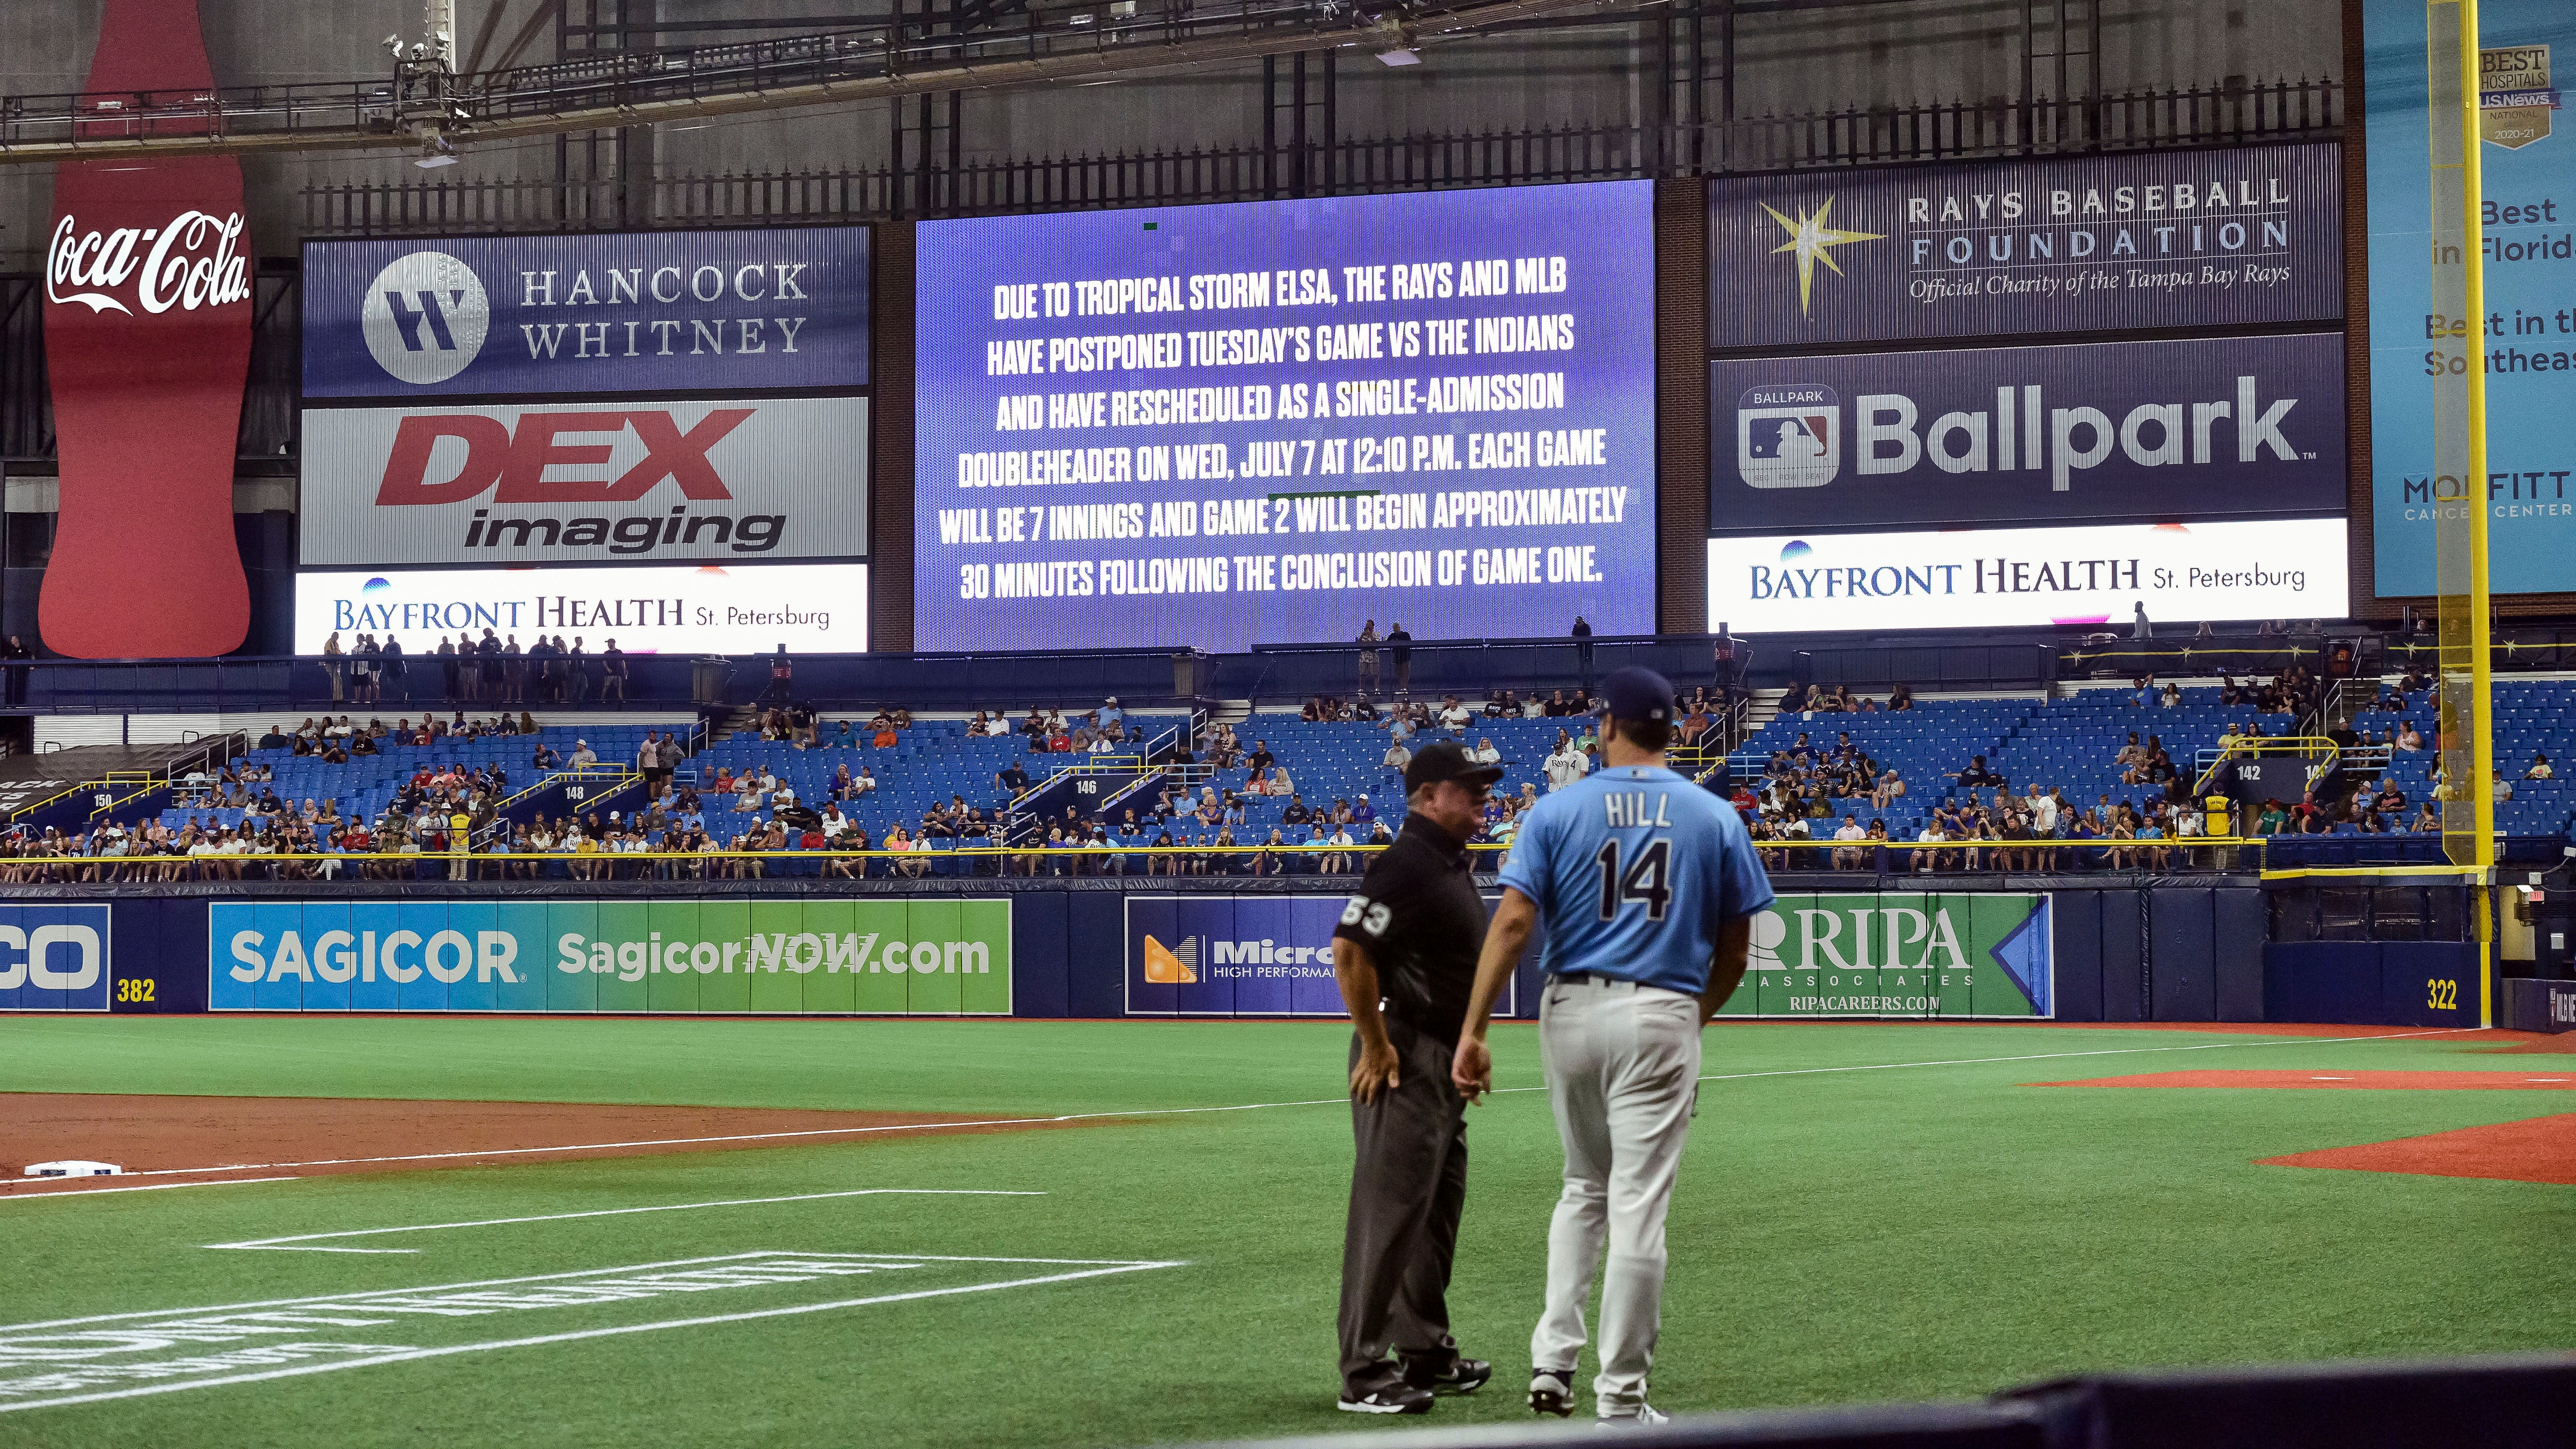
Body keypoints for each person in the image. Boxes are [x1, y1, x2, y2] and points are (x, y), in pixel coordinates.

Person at [1450, 668, 1775, 1425]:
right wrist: (1692, 1017)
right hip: (1661, 1005)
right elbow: (1735, 948)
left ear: (1604, 726)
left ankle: (1551, 1361)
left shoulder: (1557, 808)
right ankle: (1620, 1398)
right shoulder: (1712, 813)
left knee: (1580, 1186)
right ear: (1676, 728)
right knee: (1635, 1207)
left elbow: (1510, 923)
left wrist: (1473, 1028)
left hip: (1568, 1006)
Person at [1327, 739, 1502, 1415]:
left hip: (1440, 1058)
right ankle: (1363, 1370)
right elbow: (1349, 949)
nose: (1481, 796)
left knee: (1432, 1215)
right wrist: (1375, 1045)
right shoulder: (1404, 863)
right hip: (1404, 1054)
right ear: (1427, 796)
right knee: (1389, 1214)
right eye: (1468, 788)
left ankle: (1424, 1349)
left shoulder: (1444, 862)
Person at [1387, 622, 1413, 696]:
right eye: (1394, 628)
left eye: (1396, 627)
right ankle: (1401, 688)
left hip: (1405, 657)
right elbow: (1387, 643)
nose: (1395, 629)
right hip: (1397, 657)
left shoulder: (1406, 635)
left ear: (1399, 627)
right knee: (1400, 674)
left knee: (1405, 673)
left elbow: (1409, 643)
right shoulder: (1392, 636)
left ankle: (1405, 688)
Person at [1358, 621, 1382, 697]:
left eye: (1369, 625)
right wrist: (1362, 636)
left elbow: (1376, 643)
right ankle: (1362, 689)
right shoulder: (1363, 634)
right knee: (1362, 674)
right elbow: (1358, 643)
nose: (1368, 626)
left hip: (1373, 657)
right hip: (1363, 657)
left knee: (1375, 674)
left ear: (1373, 626)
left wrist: (1370, 635)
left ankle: (1377, 689)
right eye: (1367, 625)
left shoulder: (1376, 634)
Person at [1570, 616, 1593, 687]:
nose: (1578, 624)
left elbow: (1588, 637)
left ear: (1583, 622)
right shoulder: (1575, 628)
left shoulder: (1586, 627)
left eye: (1579, 623)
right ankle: (1583, 682)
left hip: (1589, 648)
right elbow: (1573, 636)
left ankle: (1591, 682)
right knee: (1581, 665)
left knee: (1590, 664)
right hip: (1580, 648)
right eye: (1577, 623)